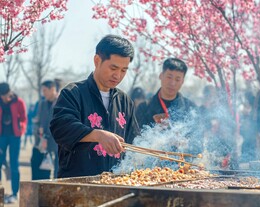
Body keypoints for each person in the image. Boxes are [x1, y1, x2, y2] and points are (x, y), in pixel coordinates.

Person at [50, 35, 140, 178]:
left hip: (115, 184)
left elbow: (134, 141)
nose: (117, 75)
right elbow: (61, 128)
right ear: (97, 61)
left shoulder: (124, 101)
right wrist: (98, 135)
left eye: (123, 70)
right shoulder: (73, 93)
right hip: (77, 184)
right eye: (113, 68)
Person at [136, 58, 196, 128]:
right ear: (161, 76)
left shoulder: (190, 108)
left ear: (182, 81)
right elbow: (137, 136)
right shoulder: (144, 107)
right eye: (169, 77)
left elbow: (196, 135)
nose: (172, 83)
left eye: (177, 79)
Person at [0, 82, 27, 204]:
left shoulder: (18, 101)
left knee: (14, 164)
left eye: (7, 94)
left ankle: (15, 193)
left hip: (15, 137)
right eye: (3, 95)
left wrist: (21, 128)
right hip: (1, 137)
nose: (6, 97)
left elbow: (24, 118)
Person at [31, 80, 60, 180]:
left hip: (57, 141)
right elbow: (39, 120)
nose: (43, 93)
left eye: (45, 90)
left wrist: (47, 136)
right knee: (43, 170)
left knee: (57, 170)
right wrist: (39, 133)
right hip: (43, 141)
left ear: (52, 89)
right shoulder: (42, 104)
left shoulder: (61, 102)